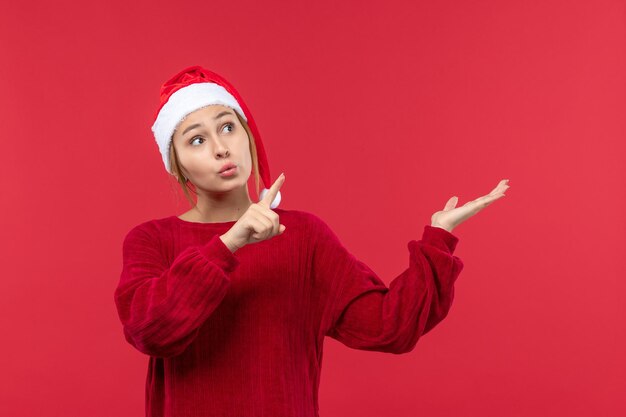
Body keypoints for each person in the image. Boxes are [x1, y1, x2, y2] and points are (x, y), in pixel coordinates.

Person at [113, 65, 510, 417]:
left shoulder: (303, 236)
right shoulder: (152, 240)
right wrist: (229, 244)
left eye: (228, 127)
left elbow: (389, 326)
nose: (221, 148)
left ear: (248, 137)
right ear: (177, 166)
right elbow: (150, 330)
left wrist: (438, 239)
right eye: (196, 140)